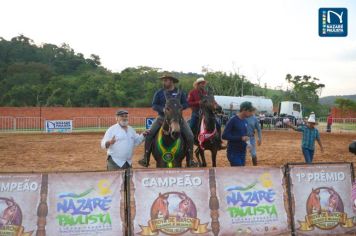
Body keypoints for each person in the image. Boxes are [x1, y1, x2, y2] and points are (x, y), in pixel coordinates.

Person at [138, 75, 193, 167]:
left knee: (190, 136)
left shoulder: (180, 92)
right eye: (163, 80)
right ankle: (145, 158)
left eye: (166, 80)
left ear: (171, 81)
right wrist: (163, 109)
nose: (164, 82)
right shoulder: (159, 93)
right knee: (149, 134)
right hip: (161, 118)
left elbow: (186, 103)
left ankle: (190, 159)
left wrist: (179, 108)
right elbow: (154, 105)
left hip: (177, 119)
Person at [187, 77, 225, 148]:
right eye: (201, 83)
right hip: (196, 112)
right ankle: (189, 141)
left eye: (204, 83)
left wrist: (216, 105)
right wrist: (198, 102)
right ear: (198, 84)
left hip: (207, 113)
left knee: (218, 125)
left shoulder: (206, 93)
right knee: (191, 126)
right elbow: (189, 102)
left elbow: (212, 101)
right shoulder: (192, 92)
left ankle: (219, 142)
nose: (203, 85)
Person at [222, 101, 255, 166]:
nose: (251, 113)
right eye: (250, 111)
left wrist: (249, 144)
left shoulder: (245, 121)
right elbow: (224, 136)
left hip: (242, 152)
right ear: (244, 110)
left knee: (240, 174)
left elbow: (245, 136)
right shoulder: (233, 120)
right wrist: (240, 138)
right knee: (239, 172)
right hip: (233, 153)